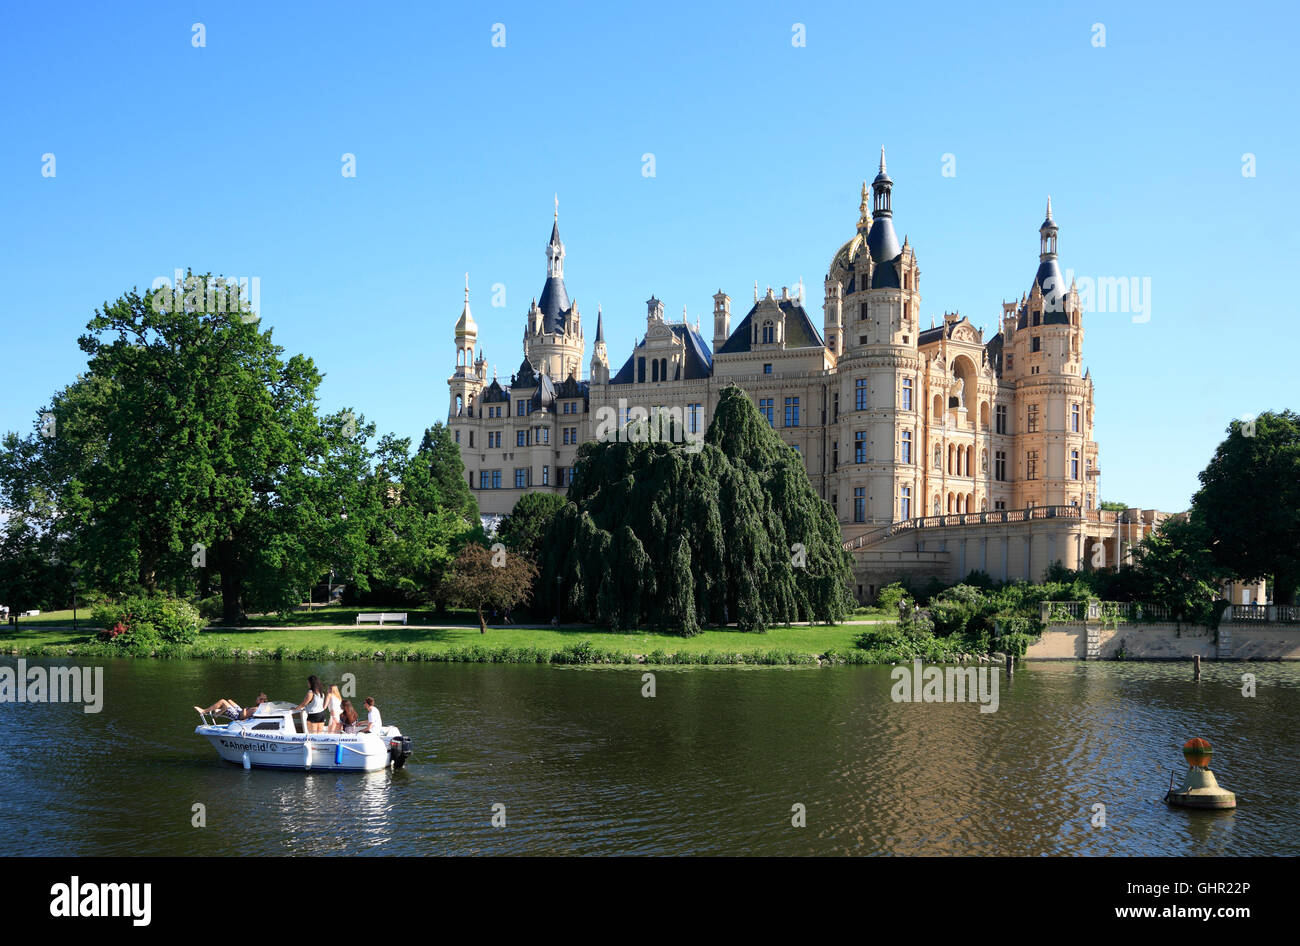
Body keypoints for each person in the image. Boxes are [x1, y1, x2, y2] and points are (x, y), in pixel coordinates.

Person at [195, 693, 269, 721]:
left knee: (222, 701)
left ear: (261, 701)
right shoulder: (259, 707)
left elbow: (243, 717)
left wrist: (244, 709)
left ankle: (204, 711)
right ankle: (219, 712)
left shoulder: (256, 709)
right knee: (229, 701)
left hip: (237, 716)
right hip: (240, 711)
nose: (256, 699)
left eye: (257, 699)